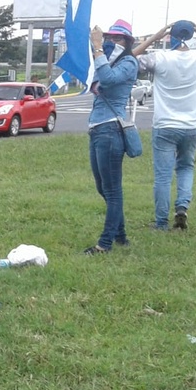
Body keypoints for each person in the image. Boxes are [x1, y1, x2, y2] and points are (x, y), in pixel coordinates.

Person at [132, 20, 196, 230]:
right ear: (190, 36)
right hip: (191, 125)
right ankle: (182, 207)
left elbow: (130, 58)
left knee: (163, 175)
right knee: (186, 167)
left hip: (165, 125)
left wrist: (155, 37)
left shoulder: (159, 57)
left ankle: (161, 223)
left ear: (171, 35)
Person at [84, 19, 139, 255]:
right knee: (103, 188)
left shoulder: (128, 62)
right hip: (97, 129)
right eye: (109, 38)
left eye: (117, 39)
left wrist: (97, 48)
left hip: (111, 130)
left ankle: (104, 244)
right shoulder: (107, 60)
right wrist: (97, 50)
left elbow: (108, 80)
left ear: (126, 42)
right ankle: (121, 236)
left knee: (113, 189)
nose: (110, 42)